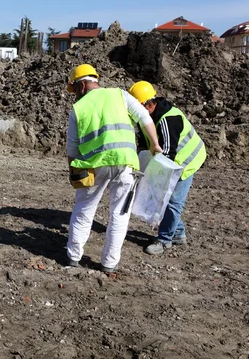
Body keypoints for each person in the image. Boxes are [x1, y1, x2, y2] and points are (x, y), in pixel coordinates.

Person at [65, 64, 162, 273]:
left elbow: (72, 147)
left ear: (82, 85)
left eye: (75, 91)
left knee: (84, 209)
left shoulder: (78, 109)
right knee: (119, 214)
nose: (75, 96)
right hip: (126, 163)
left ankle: (73, 256)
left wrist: (73, 171)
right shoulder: (120, 95)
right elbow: (144, 118)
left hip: (94, 165)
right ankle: (109, 263)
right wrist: (154, 144)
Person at [128, 81, 207, 255]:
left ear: (149, 105)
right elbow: (144, 143)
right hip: (171, 159)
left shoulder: (168, 120)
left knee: (172, 201)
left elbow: (168, 156)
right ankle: (178, 233)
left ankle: (165, 240)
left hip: (186, 161)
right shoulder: (145, 117)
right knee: (164, 198)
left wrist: (155, 178)